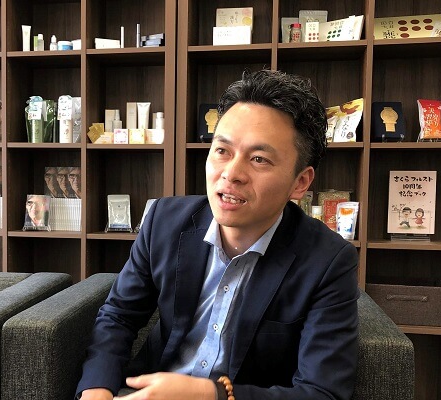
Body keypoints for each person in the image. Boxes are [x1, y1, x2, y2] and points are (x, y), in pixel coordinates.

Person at [77, 70, 359, 400]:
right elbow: (119, 316)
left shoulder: (328, 261)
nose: (231, 173)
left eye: (259, 159)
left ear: (300, 183)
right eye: (222, 150)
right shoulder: (164, 221)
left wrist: (210, 394)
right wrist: (96, 390)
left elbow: (322, 392)